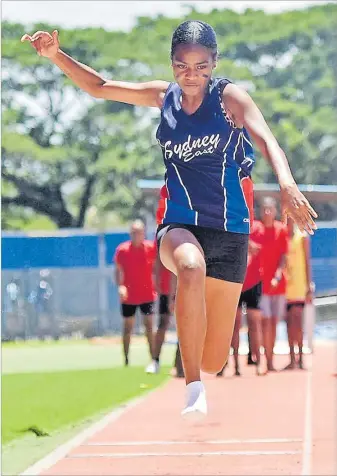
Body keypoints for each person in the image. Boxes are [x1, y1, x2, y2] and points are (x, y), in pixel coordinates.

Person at [22, 21, 317, 419]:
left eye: (201, 66)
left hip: (230, 233)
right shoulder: (165, 98)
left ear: (214, 63)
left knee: (216, 358)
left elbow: (266, 138)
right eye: (182, 65)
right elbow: (100, 86)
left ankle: (203, 365)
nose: (191, 74)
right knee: (190, 268)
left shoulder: (230, 99)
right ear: (172, 64)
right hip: (178, 225)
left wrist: (287, 183)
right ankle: (192, 385)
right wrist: (56, 56)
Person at [217, 221, 265, 377]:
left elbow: (258, 249)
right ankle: (233, 364)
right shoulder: (232, 223)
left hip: (253, 281)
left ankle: (259, 362)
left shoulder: (257, 227)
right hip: (235, 280)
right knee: (233, 326)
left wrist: (243, 241)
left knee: (254, 323)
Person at [114, 220, 156, 367]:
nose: (136, 235)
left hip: (147, 294)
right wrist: (120, 286)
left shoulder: (151, 248)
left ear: (143, 233)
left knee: (149, 326)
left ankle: (153, 359)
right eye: (133, 233)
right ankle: (126, 359)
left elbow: (157, 268)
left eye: (138, 232)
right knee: (127, 327)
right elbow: (118, 270)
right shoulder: (123, 250)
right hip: (129, 296)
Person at [258, 197, 289, 371]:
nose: (267, 212)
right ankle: (266, 358)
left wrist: (277, 275)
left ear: (275, 211)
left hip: (279, 285)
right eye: (264, 209)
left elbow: (284, 256)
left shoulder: (281, 230)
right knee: (266, 322)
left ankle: (270, 360)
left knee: (274, 322)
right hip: (261, 286)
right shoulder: (255, 229)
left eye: (270, 209)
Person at [284, 218, 315, 370]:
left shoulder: (301, 237)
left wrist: (309, 285)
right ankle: (292, 358)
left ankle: (301, 356)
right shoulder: (282, 236)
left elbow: (307, 261)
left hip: (299, 286)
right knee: (289, 324)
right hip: (285, 287)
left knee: (298, 322)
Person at [146, 254, 175, 374]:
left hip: (184, 289)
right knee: (162, 325)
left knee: (187, 327)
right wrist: (157, 283)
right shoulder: (163, 237)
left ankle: (181, 364)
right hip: (166, 290)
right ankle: (155, 360)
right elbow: (157, 262)